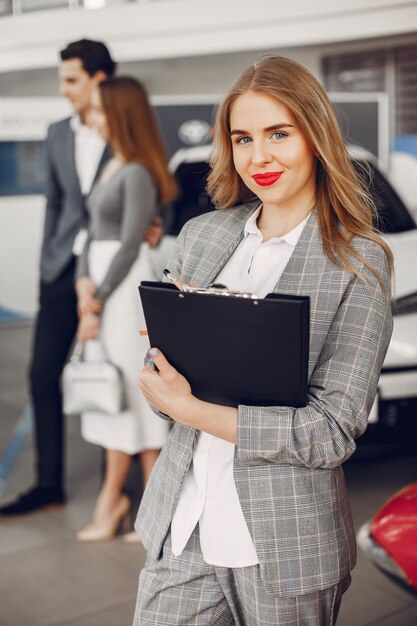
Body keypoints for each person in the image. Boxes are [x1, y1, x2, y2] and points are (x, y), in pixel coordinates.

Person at [132, 57, 394, 625]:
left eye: (279, 133)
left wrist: (192, 408)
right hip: (182, 525)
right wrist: (162, 374)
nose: (259, 157)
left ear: (316, 136)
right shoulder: (202, 237)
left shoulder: (358, 260)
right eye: (243, 138)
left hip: (284, 543)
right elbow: (158, 387)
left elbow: (330, 432)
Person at [0, 40, 160, 518]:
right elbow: (55, 201)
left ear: (99, 79)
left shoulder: (124, 126)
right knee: (44, 373)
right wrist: (49, 257)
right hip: (64, 268)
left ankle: (128, 482)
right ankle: (50, 483)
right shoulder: (56, 133)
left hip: (116, 266)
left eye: (71, 79)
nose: (63, 89)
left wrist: (152, 225)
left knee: (125, 369)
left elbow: (152, 184)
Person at [74, 76, 177, 542]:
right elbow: (90, 233)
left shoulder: (136, 170)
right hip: (102, 291)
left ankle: (124, 504)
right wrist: (82, 281)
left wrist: (95, 298)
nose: (90, 117)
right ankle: (127, 503)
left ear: (121, 113)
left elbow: (131, 242)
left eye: (98, 109)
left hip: (122, 294)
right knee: (119, 390)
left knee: (132, 391)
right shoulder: (112, 166)